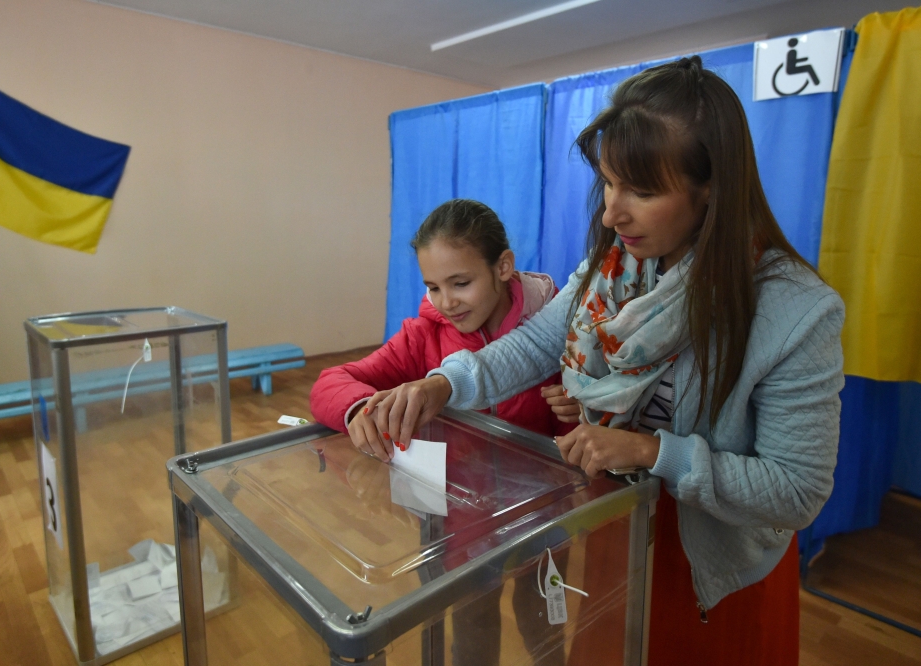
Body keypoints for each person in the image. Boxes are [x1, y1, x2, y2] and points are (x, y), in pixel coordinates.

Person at [361, 56, 844, 666]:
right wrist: (442, 384)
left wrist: (651, 451)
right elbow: (534, 344)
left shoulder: (794, 311)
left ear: (712, 189)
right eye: (609, 183)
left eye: (642, 190)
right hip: (621, 523)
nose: (613, 212)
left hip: (715, 561)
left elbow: (796, 492)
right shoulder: (615, 269)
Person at [310, 198, 573, 666]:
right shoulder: (423, 336)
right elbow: (330, 383)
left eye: (461, 283)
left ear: (504, 267)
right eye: (433, 286)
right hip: (455, 519)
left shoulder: (551, 333)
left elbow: (575, 442)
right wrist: (356, 412)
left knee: (543, 619)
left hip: (541, 513)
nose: (446, 302)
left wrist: (576, 410)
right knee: (471, 627)